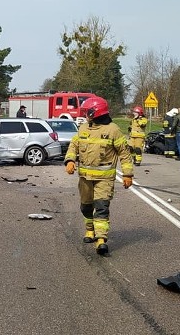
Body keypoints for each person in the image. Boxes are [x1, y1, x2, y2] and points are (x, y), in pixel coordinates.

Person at [64, 97, 134, 255]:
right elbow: (73, 145)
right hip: (85, 178)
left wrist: (128, 174)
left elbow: (124, 153)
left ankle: (101, 239)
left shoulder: (113, 130)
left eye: (87, 112)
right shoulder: (83, 128)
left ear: (94, 112)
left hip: (105, 179)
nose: (85, 115)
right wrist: (69, 160)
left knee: (102, 208)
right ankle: (90, 230)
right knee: (86, 206)